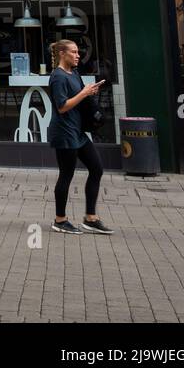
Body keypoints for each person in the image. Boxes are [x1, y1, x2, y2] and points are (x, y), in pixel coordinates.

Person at [48, 38, 112, 235]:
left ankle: (90, 218)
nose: (78, 55)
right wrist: (84, 93)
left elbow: (79, 98)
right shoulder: (58, 77)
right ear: (62, 54)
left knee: (96, 168)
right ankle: (60, 220)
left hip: (78, 131)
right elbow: (62, 106)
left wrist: (89, 92)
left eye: (78, 52)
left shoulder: (74, 73)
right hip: (65, 132)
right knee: (66, 175)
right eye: (74, 52)